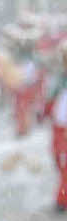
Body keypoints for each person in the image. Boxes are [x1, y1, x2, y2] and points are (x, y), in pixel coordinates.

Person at [48, 41, 67, 212]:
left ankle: (62, 199)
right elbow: (51, 100)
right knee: (58, 159)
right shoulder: (59, 81)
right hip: (59, 127)